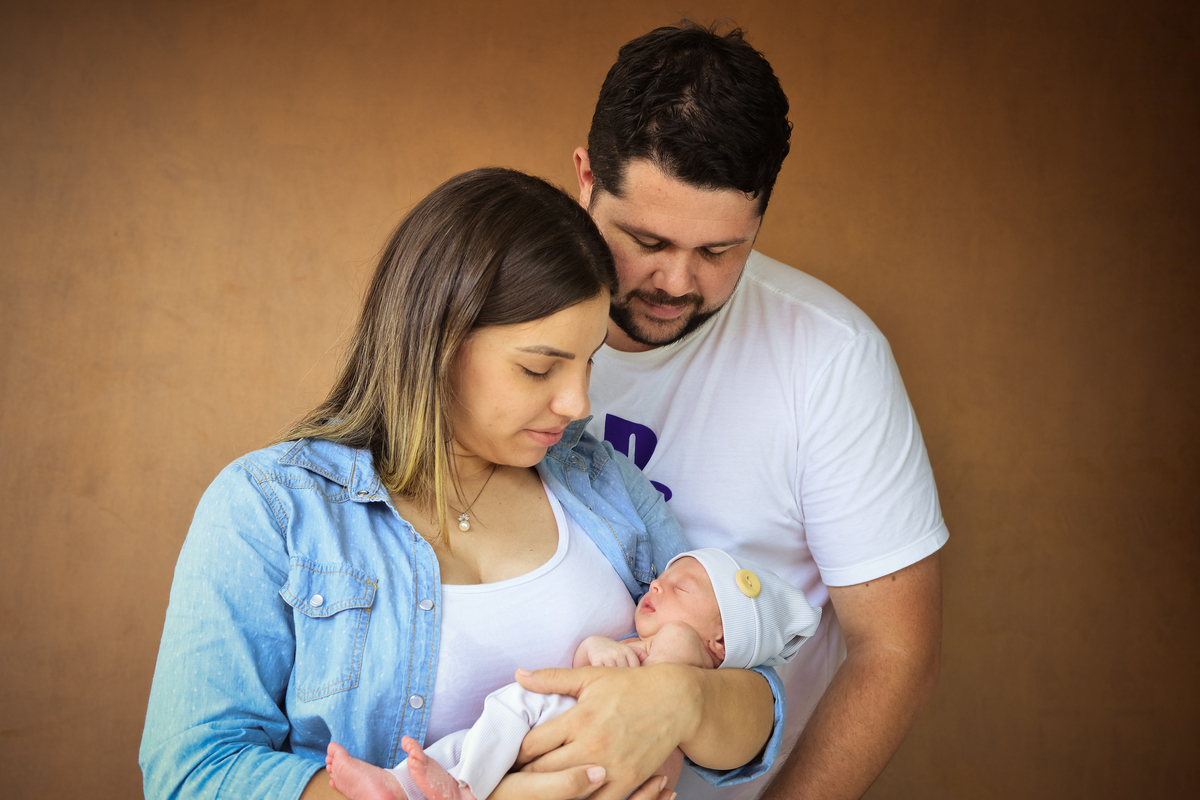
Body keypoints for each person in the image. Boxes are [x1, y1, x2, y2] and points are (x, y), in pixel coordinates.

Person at [138, 168, 787, 800]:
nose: (578, 403)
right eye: (540, 368)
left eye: (589, 362)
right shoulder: (269, 508)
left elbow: (758, 713)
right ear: (439, 342)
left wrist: (683, 700)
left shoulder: (604, 484)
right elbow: (191, 772)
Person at [510, 21, 948, 800]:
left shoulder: (830, 359)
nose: (676, 281)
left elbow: (894, 651)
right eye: (645, 239)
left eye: (719, 252)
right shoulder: (501, 317)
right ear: (584, 180)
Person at [323, 548, 822, 800]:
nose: (657, 584)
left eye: (682, 588)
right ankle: (401, 786)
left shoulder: (685, 650)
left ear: (721, 641)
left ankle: (453, 789)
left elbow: (664, 681)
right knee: (471, 740)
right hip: (568, 738)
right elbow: (588, 658)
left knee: (503, 713)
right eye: (661, 575)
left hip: (563, 725)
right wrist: (601, 649)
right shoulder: (643, 643)